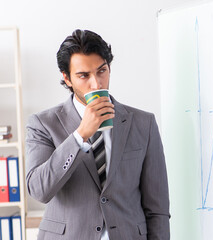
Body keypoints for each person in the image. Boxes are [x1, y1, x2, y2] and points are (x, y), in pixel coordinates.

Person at [26, 29, 170, 240]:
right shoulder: (43, 124)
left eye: (101, 71)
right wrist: (80, 135)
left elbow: (157, 208)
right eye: (84, 75)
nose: (96, 83)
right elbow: (39, 190)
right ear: (66, 78)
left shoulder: (143, 124)